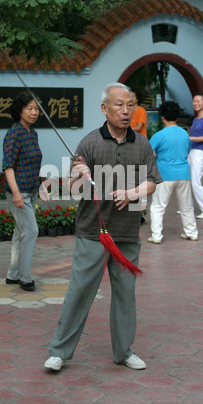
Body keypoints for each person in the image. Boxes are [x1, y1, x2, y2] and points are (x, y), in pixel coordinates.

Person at [44, 82, 161, 372]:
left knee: (125, 294)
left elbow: (152, 183)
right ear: (104, 108)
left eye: (129, 104)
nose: (125, 111)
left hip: (127, 235)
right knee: (80, 290)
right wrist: (79, 174)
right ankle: (59, 351)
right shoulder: (89, 143)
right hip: (92, 233)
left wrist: (132, 193)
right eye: (119, 105)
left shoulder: (143, 144)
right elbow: (73, 188)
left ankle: (123, 351)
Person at [2, 91, 49, 291]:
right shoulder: (14, 133)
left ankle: (13, 274)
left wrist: (41, 187)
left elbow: (32, 165)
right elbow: (8, 166)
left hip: (31, 190)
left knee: (20, 232)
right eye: (29, 108)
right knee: (31, 231)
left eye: (36, 108)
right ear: (19, 110)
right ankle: (25, 277)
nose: (33, 112)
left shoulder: (33, 133)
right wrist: (16, 193)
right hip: (18, 191)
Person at [148, 101, 198, 244]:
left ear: (162, 117)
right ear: (177, 117)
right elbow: (188, 151)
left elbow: (148, 153)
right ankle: (192, 233)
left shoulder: (159, 135)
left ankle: (156, 236)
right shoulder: (184, 134)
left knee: (158, 206)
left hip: (165, 175)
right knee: (187, 206)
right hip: (183, 174)